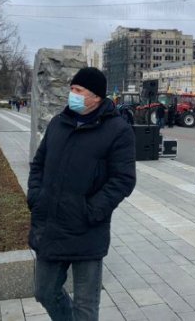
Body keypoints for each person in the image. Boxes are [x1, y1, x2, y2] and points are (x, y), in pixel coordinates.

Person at [27, 66, 136, 321]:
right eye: (71, 89)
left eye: (78, 90)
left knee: (85, 309)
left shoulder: (118, 131)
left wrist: (91, 210)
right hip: (51, 225)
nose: (71, 94)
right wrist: (35, 196)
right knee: (44, 292)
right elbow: (38, 163)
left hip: (87, 229)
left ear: (96, 97)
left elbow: (123, 179)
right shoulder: (58, 123)